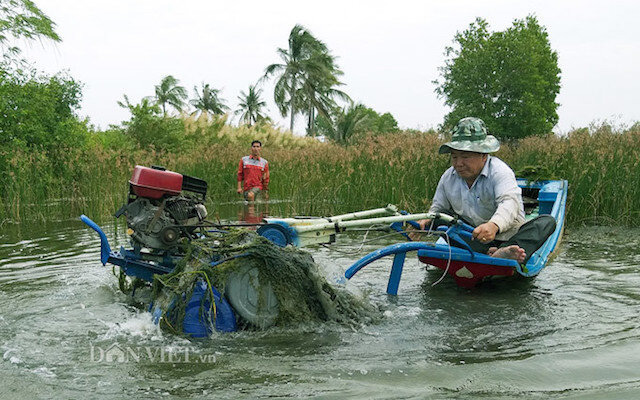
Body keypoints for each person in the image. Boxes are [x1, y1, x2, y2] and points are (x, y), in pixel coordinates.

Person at [415, 117, 556, 264]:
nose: (458, 163)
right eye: (454, 157)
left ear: (484, 156)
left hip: (510, 237)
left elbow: (508, 202)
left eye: (465, 157)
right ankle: (487, 254)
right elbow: (438, 208)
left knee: (547, 222)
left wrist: (493, 225)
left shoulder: (500, 171)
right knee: (440, 219)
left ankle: (505, 252)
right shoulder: (448, 177)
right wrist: (426, 221)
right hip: (474, 239)